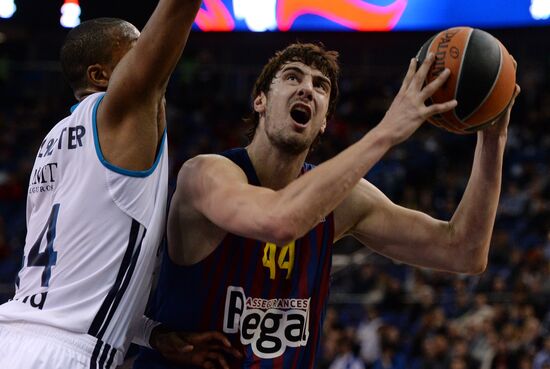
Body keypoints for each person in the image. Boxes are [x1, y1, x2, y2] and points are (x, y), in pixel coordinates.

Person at [134, 43, 520, 368]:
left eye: (320, 86)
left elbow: (465, 251)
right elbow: (278, 220)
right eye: (292, 77)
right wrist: (386, 131)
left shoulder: (344, 200)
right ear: (260, 101)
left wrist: (492, 138)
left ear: (322, 123)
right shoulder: (206, 174)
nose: (307, 89)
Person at [0, 1, 237, 368]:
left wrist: (151, 334)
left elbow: (79, 283)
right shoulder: (120, 112)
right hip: (65, 355)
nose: (150, 54)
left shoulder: (54, 140)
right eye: (136, 49)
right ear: (100, 75)